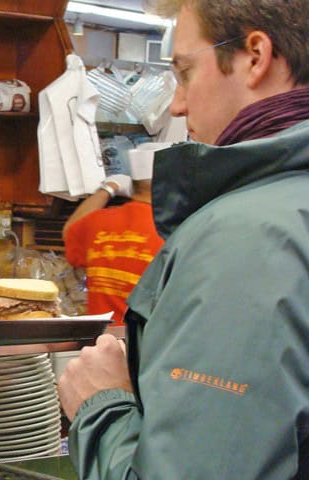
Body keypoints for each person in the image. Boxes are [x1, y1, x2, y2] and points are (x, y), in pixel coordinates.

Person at [58, 1, 309, 478]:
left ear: (255, 56)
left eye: (185, 72)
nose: (176, 104)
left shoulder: (247, 241)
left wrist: (100, 406)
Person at [62, 158, 164, 325]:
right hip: (147, 343)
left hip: (100, 339)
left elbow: (70, 230)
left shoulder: (98, 222)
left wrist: (109, 188)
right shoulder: (172, 231)